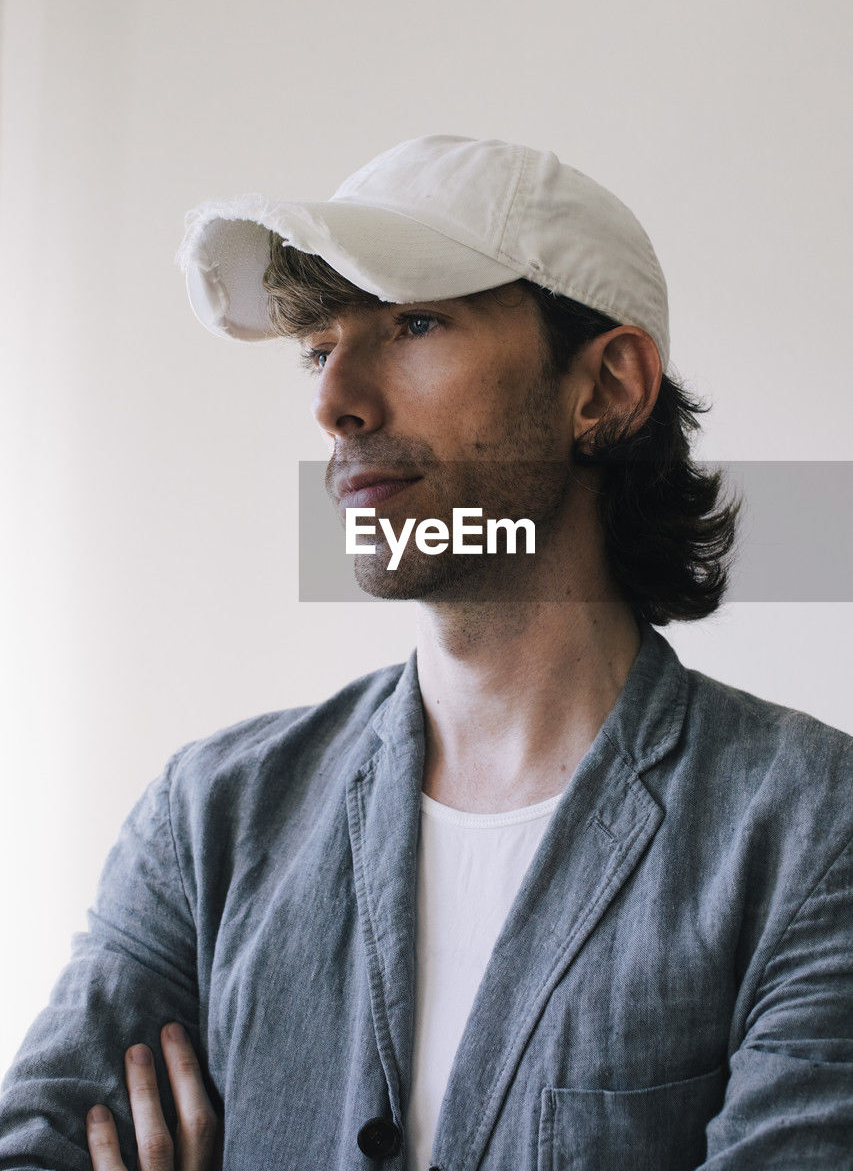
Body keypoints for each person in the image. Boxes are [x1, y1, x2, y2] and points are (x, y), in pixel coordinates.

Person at [1, 135, 850, 1170]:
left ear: (607, 387)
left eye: (411, 323)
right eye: (320, 345)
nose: (335, 400)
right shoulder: (210, 818)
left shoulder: (813, 831)